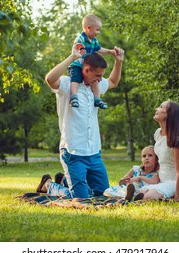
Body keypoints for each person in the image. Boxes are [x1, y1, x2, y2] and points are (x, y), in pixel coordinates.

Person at [44, 43, 124, 199]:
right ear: (86, 70)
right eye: (98, 75)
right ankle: (50, 185)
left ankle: (65, 181)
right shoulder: (68, 84)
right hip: (73, 151)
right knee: (82, 198)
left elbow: (113, 82)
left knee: (103, 195)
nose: (101, 79)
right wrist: (73, 57)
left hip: (94, 152)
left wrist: (118, 61)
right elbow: (50, 79)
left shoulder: (96, 87)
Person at [129, 101, 179, 202]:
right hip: (163, 182)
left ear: (169, 114)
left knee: (149, 195)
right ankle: (138, 198)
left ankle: (154, 198)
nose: (156, 109)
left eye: (161, 107)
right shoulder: (158, 133)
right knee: (141, 191)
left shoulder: (177, 140)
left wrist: (177, 198)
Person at [68, 14, 116, 109]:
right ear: (89, 28)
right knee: (75, 79)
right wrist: (80, 49)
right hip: (78, 65)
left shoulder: (94, 41)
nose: (98, 32)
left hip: (88, 67)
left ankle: (97, 99)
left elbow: (99, 49)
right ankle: (74, 97)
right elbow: (77, 46)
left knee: (95, 81)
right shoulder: (81, 38)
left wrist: (109, 52)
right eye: (97, 30)